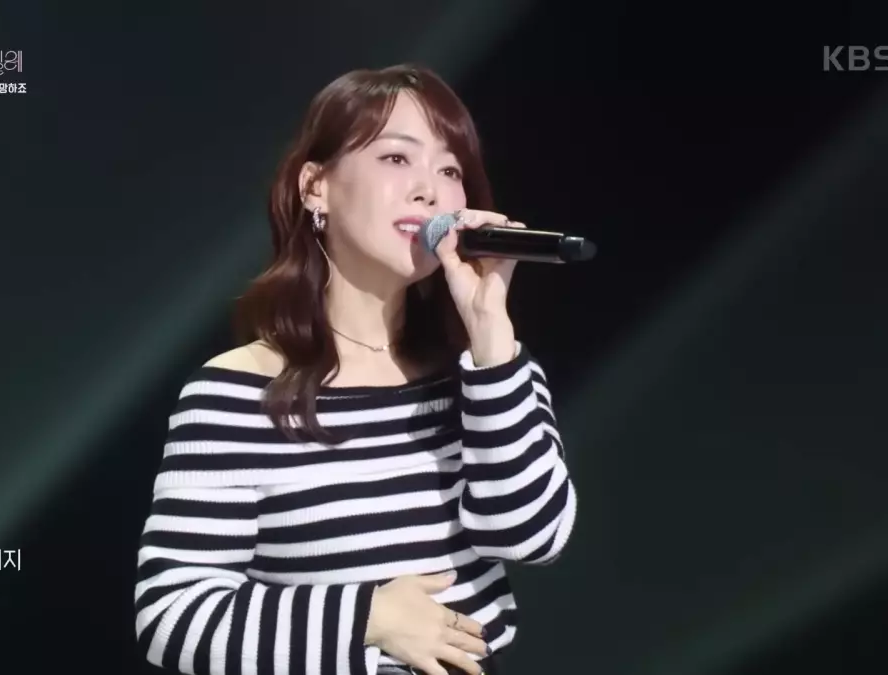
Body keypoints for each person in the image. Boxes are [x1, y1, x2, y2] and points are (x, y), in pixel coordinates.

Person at [133, 64, 577, 675]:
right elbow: (173, 616)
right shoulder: (235, 393)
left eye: (450, 171)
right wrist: (367, 616)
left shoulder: (490, 373)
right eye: (397, 158)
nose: (429, 190)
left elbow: (533, 537)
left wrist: (492, 340)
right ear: (315, 186)